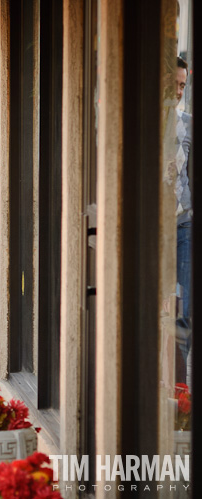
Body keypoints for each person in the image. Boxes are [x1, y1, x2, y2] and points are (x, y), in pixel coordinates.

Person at [175, 56, 193, 383]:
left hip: (185, 224)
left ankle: (181, 389)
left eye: (182, 85)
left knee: (188, 309)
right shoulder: (140, 121)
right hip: (150, 227)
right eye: (174, 83)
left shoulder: (188, 123)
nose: (178, 90)